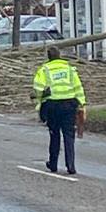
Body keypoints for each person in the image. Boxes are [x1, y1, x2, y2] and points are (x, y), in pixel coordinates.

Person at [32, 45, 86, 175]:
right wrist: (82, 104)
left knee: (54, 134)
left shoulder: (44, 70)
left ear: (48, 57)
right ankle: (71, 165)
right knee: (69, 135)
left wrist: (38, 105)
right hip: (69, 105)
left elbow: (38, 89)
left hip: (52, 106)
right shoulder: (69, 69)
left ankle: (53, 163)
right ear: (59, 55)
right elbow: (78, 87)